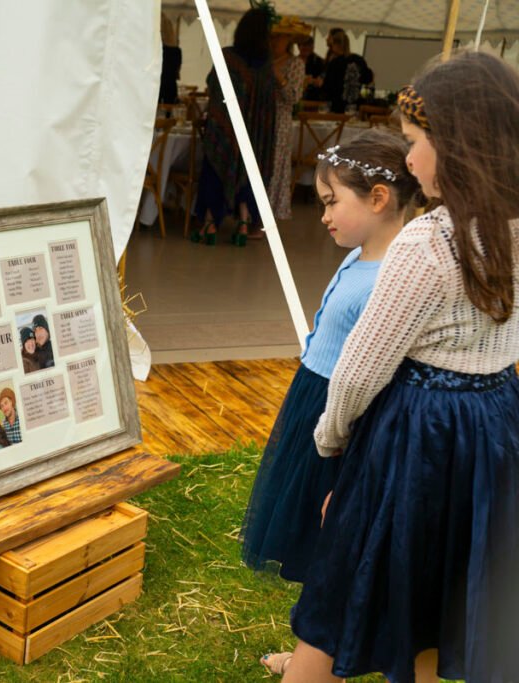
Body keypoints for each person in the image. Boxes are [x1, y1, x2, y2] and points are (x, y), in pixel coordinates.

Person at [262, 51, 519, 683]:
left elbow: (359, 370)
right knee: (438, 578)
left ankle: (308, 670)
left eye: (414, 142)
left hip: (417, 435)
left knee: (346, 573)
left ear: (456, 145)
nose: (408, 159)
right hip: (492, 430)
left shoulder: (426, 243)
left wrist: (331, 443)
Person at [243, 130, 420, 587]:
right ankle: (312, 637)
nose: (322, 216)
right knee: (306, 517)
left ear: (378, 198)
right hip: (313, 395)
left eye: (331, 202)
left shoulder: (391, 278)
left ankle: (319, 642)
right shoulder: (359, 256)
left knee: (332, 523)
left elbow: (371, 371)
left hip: (340, 413)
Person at [192, 6, 277, 247]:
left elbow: (213, 85)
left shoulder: (227, 57)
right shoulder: (266, 64)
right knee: (249, 174)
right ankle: (242, 222)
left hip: (225, 132)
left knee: (215, 171)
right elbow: (269, 101)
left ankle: (209, 224)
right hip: (254, 136)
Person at [267, 17, 309, 221]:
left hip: (280, 121)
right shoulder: (262, 62)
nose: (275, 42)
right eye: (273, 37)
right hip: (261, 119)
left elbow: (294, 97)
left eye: (280, 38)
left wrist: (279, 78)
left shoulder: (295, 64)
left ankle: (268, 214)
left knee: (275, 167)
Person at [322, 30, 372, 114]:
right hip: (354, 107)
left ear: (335, 44)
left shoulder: (334, 63)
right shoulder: (359, 60)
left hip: (337, 108)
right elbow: (368, 79)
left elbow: (327, 88)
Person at [159, 13, 182, 105]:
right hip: (171, 86)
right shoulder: (177, 51)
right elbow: (177, 70)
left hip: (158, 85)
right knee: (169, 113)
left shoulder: (158, 50)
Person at [299, 35, 325, 101]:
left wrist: (314, 81)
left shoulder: (319, 61)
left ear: (313, 47)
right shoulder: (294, 61)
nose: (306, 48)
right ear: (299, 46)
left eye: (308, 45)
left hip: (313, 98)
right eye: (303, 45)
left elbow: (322, 78)